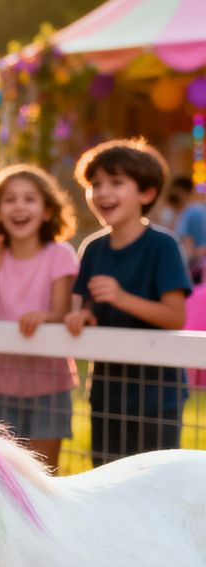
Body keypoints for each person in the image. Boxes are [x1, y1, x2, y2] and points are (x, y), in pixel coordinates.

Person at [65, 139, 190, 461]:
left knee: (155, 481)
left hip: (157, 395)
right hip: (107, 391)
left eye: (116, 183)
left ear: (146, 193)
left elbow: (175, 316)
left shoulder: (163, 246)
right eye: (96, 184)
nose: (103, 192)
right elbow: (86, 305)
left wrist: (122, 298)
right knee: (107, 474)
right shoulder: (92, 248)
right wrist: (84, 316)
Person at [0, 164, 78, 472]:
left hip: (51, 384)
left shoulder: (60, 255)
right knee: (3, 475)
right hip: (2, 384)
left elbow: (62, 312)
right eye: (10, 200)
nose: (19, 207)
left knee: (44, 473)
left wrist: (46, 316)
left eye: (29, 199)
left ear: (48, 211)